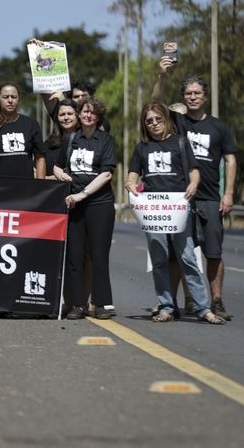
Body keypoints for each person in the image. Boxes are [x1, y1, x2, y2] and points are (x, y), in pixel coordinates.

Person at [125, 103, 225, 324]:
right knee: (159, 259)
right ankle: (167, 306)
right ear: (145, 124)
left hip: (179, 209)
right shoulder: (142, 148)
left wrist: (193, 185)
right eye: (149, 121)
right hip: (153, 212)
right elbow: (133, 174)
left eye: (158, 119)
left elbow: (194, 171)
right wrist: (130, 183)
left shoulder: (180, 142)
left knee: (187, 257)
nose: (154, 124)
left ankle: (203, 308)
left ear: (166, 119)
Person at [152, 60, 237, 320]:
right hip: (180, 198)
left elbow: (231, 160)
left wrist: (229, 193)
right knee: (177, 254)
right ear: (183, 98)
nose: (192, 97)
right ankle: (171, 304)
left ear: (205, 96)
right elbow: (155, 104)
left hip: (210, 197)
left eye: (197, 92)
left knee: (213, 253)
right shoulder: (177, 122)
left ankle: (217, 301)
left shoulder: (219, 127)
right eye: (188, 93)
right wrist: (162, 75)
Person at [53, 98, 116, 320]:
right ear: (79, 115)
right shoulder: (71, 139)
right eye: (85, 112)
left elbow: (107, 173)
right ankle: (76, 304)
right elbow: (57, 165)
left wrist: (83, 194)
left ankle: (102, 303)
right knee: (74, 256)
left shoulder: (106, 140)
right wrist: (62, 175)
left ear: (98, 117)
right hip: (74, 206)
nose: (88, 115)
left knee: (98, 256)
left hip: (99, 204)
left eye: (92, 113)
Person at [0, 82, 46, 178]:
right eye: (5, 97)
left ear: (19, 99)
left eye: (13, 97)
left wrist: (41, 187)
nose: (10, 100)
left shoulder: (31, 124)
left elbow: (40, 158)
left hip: (26, 188)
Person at [44, 99, 79, 178]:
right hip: (53, 188)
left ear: (77, 115)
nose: (66, 117)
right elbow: (35, 170)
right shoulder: (49, 144)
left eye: (70, 114)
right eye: (62, 114)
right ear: (57, 118)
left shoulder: (86, 141)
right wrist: (50, 179)